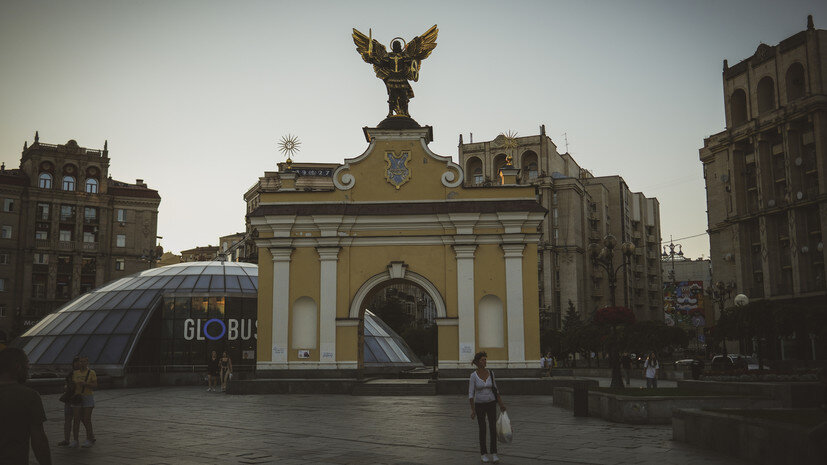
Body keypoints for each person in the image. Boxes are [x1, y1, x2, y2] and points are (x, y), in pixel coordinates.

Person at [0, 347, 52, 465]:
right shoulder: (29, 396)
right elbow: (38, 439)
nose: (29, 367)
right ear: (18, 367)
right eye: (27, 363)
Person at [468, 351, 506, 464]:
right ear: (477, 362)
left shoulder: (491, 373)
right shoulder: (473, 376)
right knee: (482, 429)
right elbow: (471, 394)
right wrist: (473, 410)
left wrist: (501, 404)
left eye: (485, 359)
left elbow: (496, 390)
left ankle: (494, 453)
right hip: (479, 405)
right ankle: (483, 454)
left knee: (493, 428)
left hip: (491, 403)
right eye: (483, 360)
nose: (485, 361)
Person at [71, 355, 97, 448]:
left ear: (87, 362)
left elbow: (95, 385)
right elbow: (72, 384)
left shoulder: (91, 372)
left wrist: (85, 384)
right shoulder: (75, 373)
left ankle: (89, 439)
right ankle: (75, 440)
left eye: (84, 361)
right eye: (81, 361)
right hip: (77, 397)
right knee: (76, 419)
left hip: (87, 396)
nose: (82, 363)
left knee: (87, 419)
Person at [57, 356, 80, 446]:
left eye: (79, 362)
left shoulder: (83, 374)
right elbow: (67, 384)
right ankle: (66, 440)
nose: (77, 364)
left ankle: (76, 440)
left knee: (77, 420)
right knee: (67, 420)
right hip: (69, 399)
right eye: (76, 362)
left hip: (77, 399)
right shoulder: (71, 374)